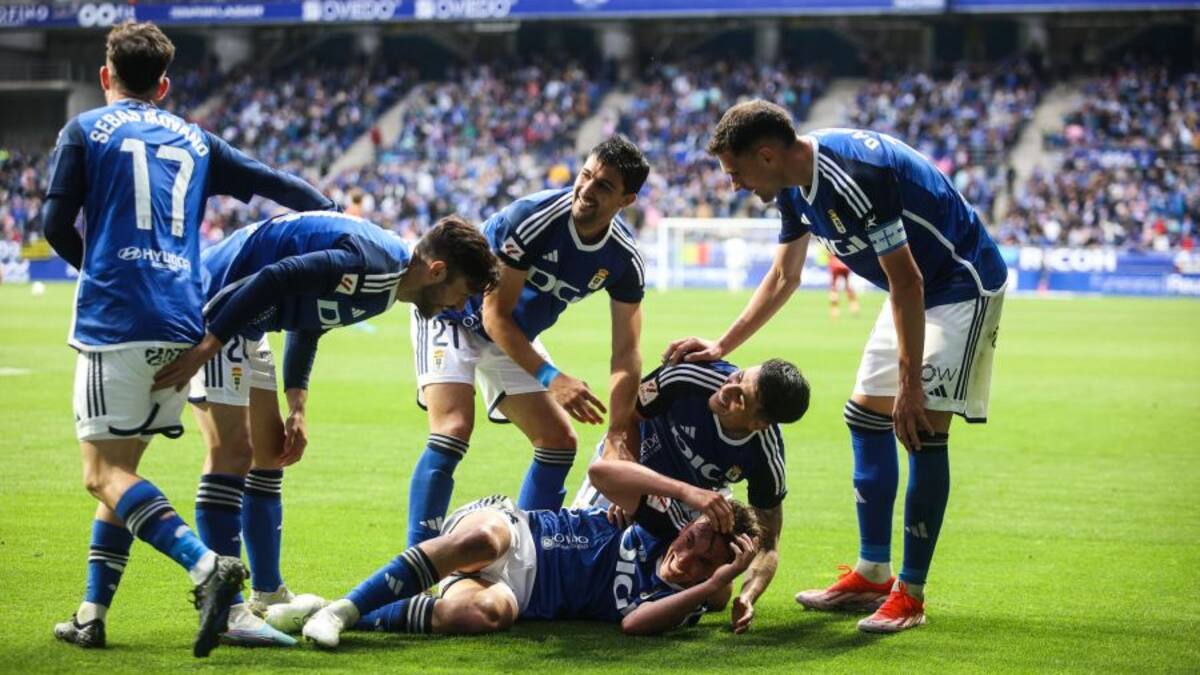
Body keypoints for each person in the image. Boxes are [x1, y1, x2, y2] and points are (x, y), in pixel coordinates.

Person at [40, 21, 336, 657]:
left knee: (102, 475)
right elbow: (276, 184)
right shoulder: (197, 139)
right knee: (126, 469)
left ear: (104, 76)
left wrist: (98, 266)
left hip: (116, 321)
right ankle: (91, 614)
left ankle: (207, 567)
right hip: (186, 324)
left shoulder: (84, 129)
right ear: (165, 85)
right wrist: (332, 214)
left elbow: (53, 222)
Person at [664, 100, 1007, 633]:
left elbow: (910, 281)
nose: (733, 185)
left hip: (957, 285)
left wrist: (910, 385)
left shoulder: (852, 180)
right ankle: (873, 572)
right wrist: (721, 342)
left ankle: (910, 594)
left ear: (767, 154)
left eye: (736, 172)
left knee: (918, 428)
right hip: (910, 289)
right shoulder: (794, 187)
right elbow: (784, 276)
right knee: (865, 416)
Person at [141, 211, 497, 643]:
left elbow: (310, 320)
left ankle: (267, 594)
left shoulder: (389, 284)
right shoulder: (374, 264)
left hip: (251, 323)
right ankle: (229, 608)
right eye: (462, 295)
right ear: (437, 271)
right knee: (233, 453)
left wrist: (297, 405)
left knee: (270, 451)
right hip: (222, 306)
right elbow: (277, 276)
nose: (458, 308)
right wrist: (208, 345)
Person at [405, 135, 649, 547]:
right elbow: (493, 314)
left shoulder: (623, 259)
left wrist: (619, 434)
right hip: (453, 311)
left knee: (558, 442)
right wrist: (554, 378)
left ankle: (531, 558)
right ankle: (414, 567)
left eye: (603, 186)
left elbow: (627, 352)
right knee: (454, 428)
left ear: (627, 200)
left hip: (510, 336)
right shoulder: (533, 218)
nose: (586, 190)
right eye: (585, 175)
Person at [266, 458, 761, 647]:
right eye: (691, 540)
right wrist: (689, 493)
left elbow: (633, 625)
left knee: (485, 614)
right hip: (517, 529)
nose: (686, 557)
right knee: (484, 542)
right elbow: (601, 474)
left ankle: (322, 608)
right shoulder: (659, 522)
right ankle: (348, 608)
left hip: (519, 594)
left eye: (701, 564)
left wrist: (719, 585)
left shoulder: (686, 602)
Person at [572, 358, 809, 633]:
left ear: (758, 424)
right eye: (738, 376)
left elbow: (768, 544)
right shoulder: (688, 376)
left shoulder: (765, 458)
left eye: (740, 398)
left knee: (718, 596)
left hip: (698, 498)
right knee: (592, 534)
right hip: (635, 459)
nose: (726, 388)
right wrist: (625, 486)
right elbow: (627, 417)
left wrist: (746, 596)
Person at [828, 254, 859, 318]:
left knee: (834, 288)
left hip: (835, 265)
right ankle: (854, 307)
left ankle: (834, 312)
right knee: (848, 287)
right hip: (844, 265)